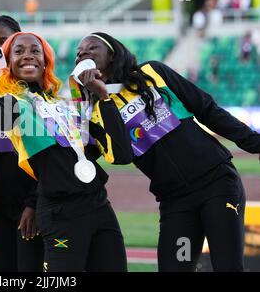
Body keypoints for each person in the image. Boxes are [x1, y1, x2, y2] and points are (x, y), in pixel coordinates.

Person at [74, 32, 260, 272]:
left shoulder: (152, 73)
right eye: (79, 52)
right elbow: (121, 156)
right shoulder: (95, 114)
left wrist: (255, 144)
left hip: (217, 183)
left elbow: (207, 109)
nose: (82, 53)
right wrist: (104, 97)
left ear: (112, 54)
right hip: (176, 202)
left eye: (91, 48)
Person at [0, 32, 133, 272]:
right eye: (19, 51)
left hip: (99, 206)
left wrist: (104, 97)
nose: (28, 55)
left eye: (35, 51)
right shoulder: (14, 106)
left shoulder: (65, 106)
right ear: (8, 64)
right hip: (60, 213)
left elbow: (122, 155)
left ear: (45, 61)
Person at [0, 15, 44, 271]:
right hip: (0, 203)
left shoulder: (34, 88)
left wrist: (34, 203)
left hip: (34, 204)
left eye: (3, 41)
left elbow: (53, 158)